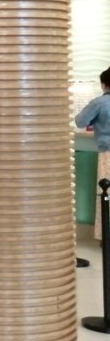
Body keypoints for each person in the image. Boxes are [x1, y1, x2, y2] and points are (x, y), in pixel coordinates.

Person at [75, 66, 110, 243]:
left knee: (106, 194)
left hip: (108, 153)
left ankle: (106, 236)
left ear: (104, 84)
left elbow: (80, 121)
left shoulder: (99, 103)